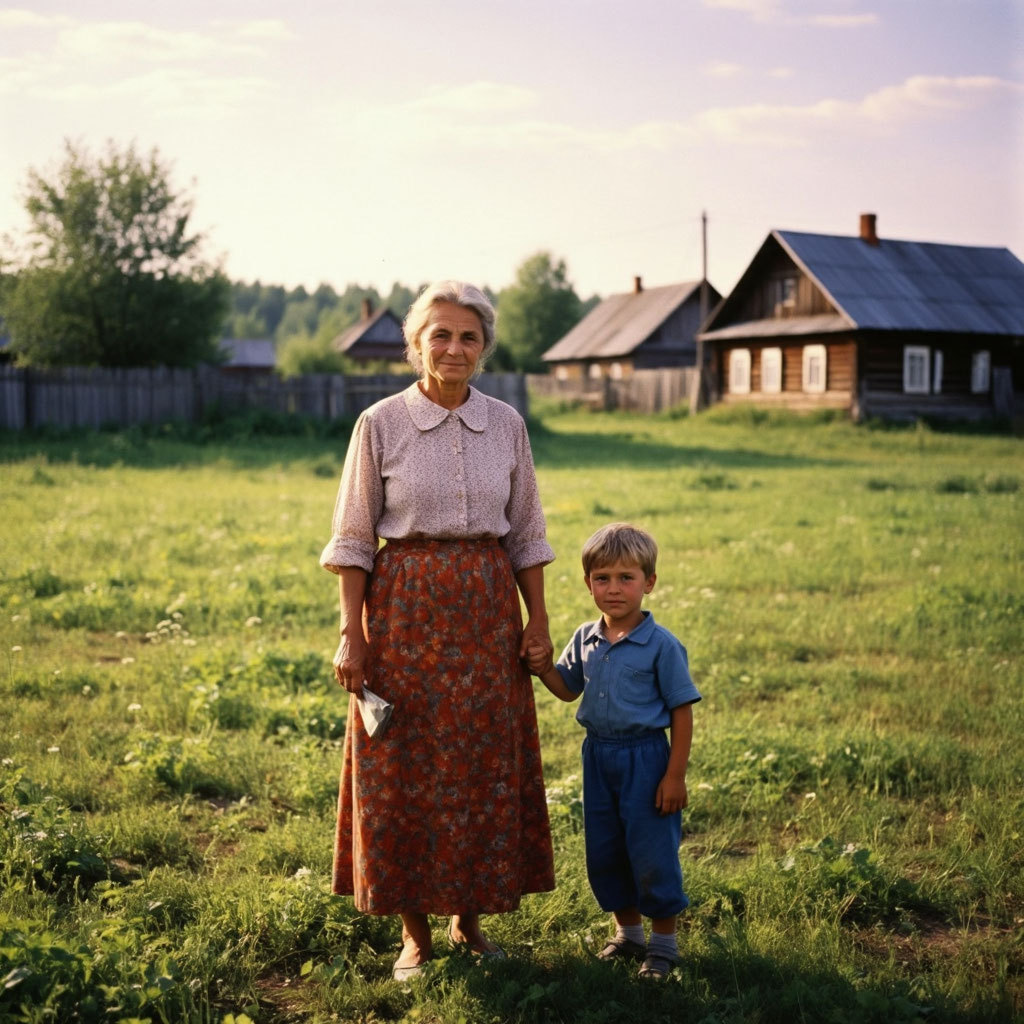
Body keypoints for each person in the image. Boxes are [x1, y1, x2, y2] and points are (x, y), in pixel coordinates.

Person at [319, 281, 556, 981]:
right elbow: (353, 540)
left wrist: (538, 620)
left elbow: (527, 532)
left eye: (469, 337)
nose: (455, 348)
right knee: (403, 764)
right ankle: (414, 934)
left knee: (481, 762)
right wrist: (353, 633)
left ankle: (469, 922)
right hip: (404, 613)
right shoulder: (379, 423)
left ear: (485, 347)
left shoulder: (507, 424)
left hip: (488, 614)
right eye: (441, 335)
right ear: (416, 344)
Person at [526, 523, 701, 981]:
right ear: (588, 584)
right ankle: (629, 934)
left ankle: (663, 946)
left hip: (647, 760)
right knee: (605, 849)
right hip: (599, 759)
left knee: (651, 851)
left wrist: (675, 776)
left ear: (649, 582)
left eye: (627, 578)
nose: (614, 589)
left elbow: (682, 711)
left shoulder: (661, 646)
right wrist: (543, 668)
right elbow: (567, 689)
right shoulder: (585, 637)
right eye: (602, 578)